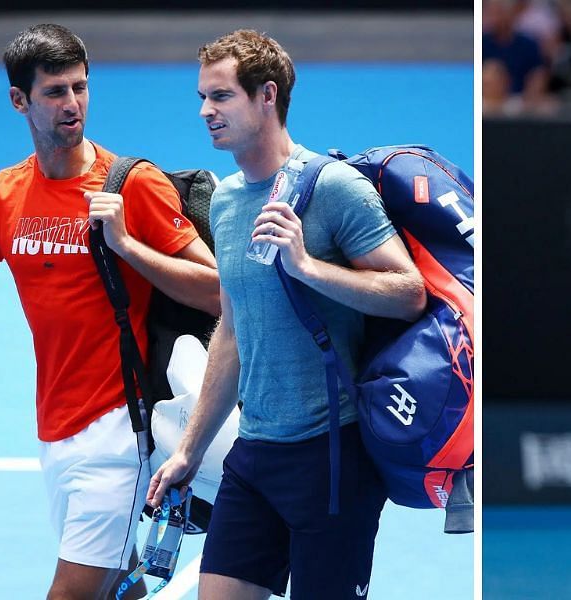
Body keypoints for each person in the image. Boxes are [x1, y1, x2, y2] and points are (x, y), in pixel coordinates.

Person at [0, 24, 219, 600]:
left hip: (120, 426)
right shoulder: (1, 198)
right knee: (118, 588)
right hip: (56, 426)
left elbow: (218, 291)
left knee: (71, 593)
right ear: (19, 101)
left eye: (80, 88)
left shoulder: (131, 186)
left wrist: (128, 246)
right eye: (55, 92)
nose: (73, 104)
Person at [147, 29, 426, 600]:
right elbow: (232, 330)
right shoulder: (224, 201)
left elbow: (408, 291)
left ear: (266, 95)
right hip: (254, 456)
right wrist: (189, 452)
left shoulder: (333, 188)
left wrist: (308, 267)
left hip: (332, 458)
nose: (205, 111)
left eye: (221, 96)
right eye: (202, 97)